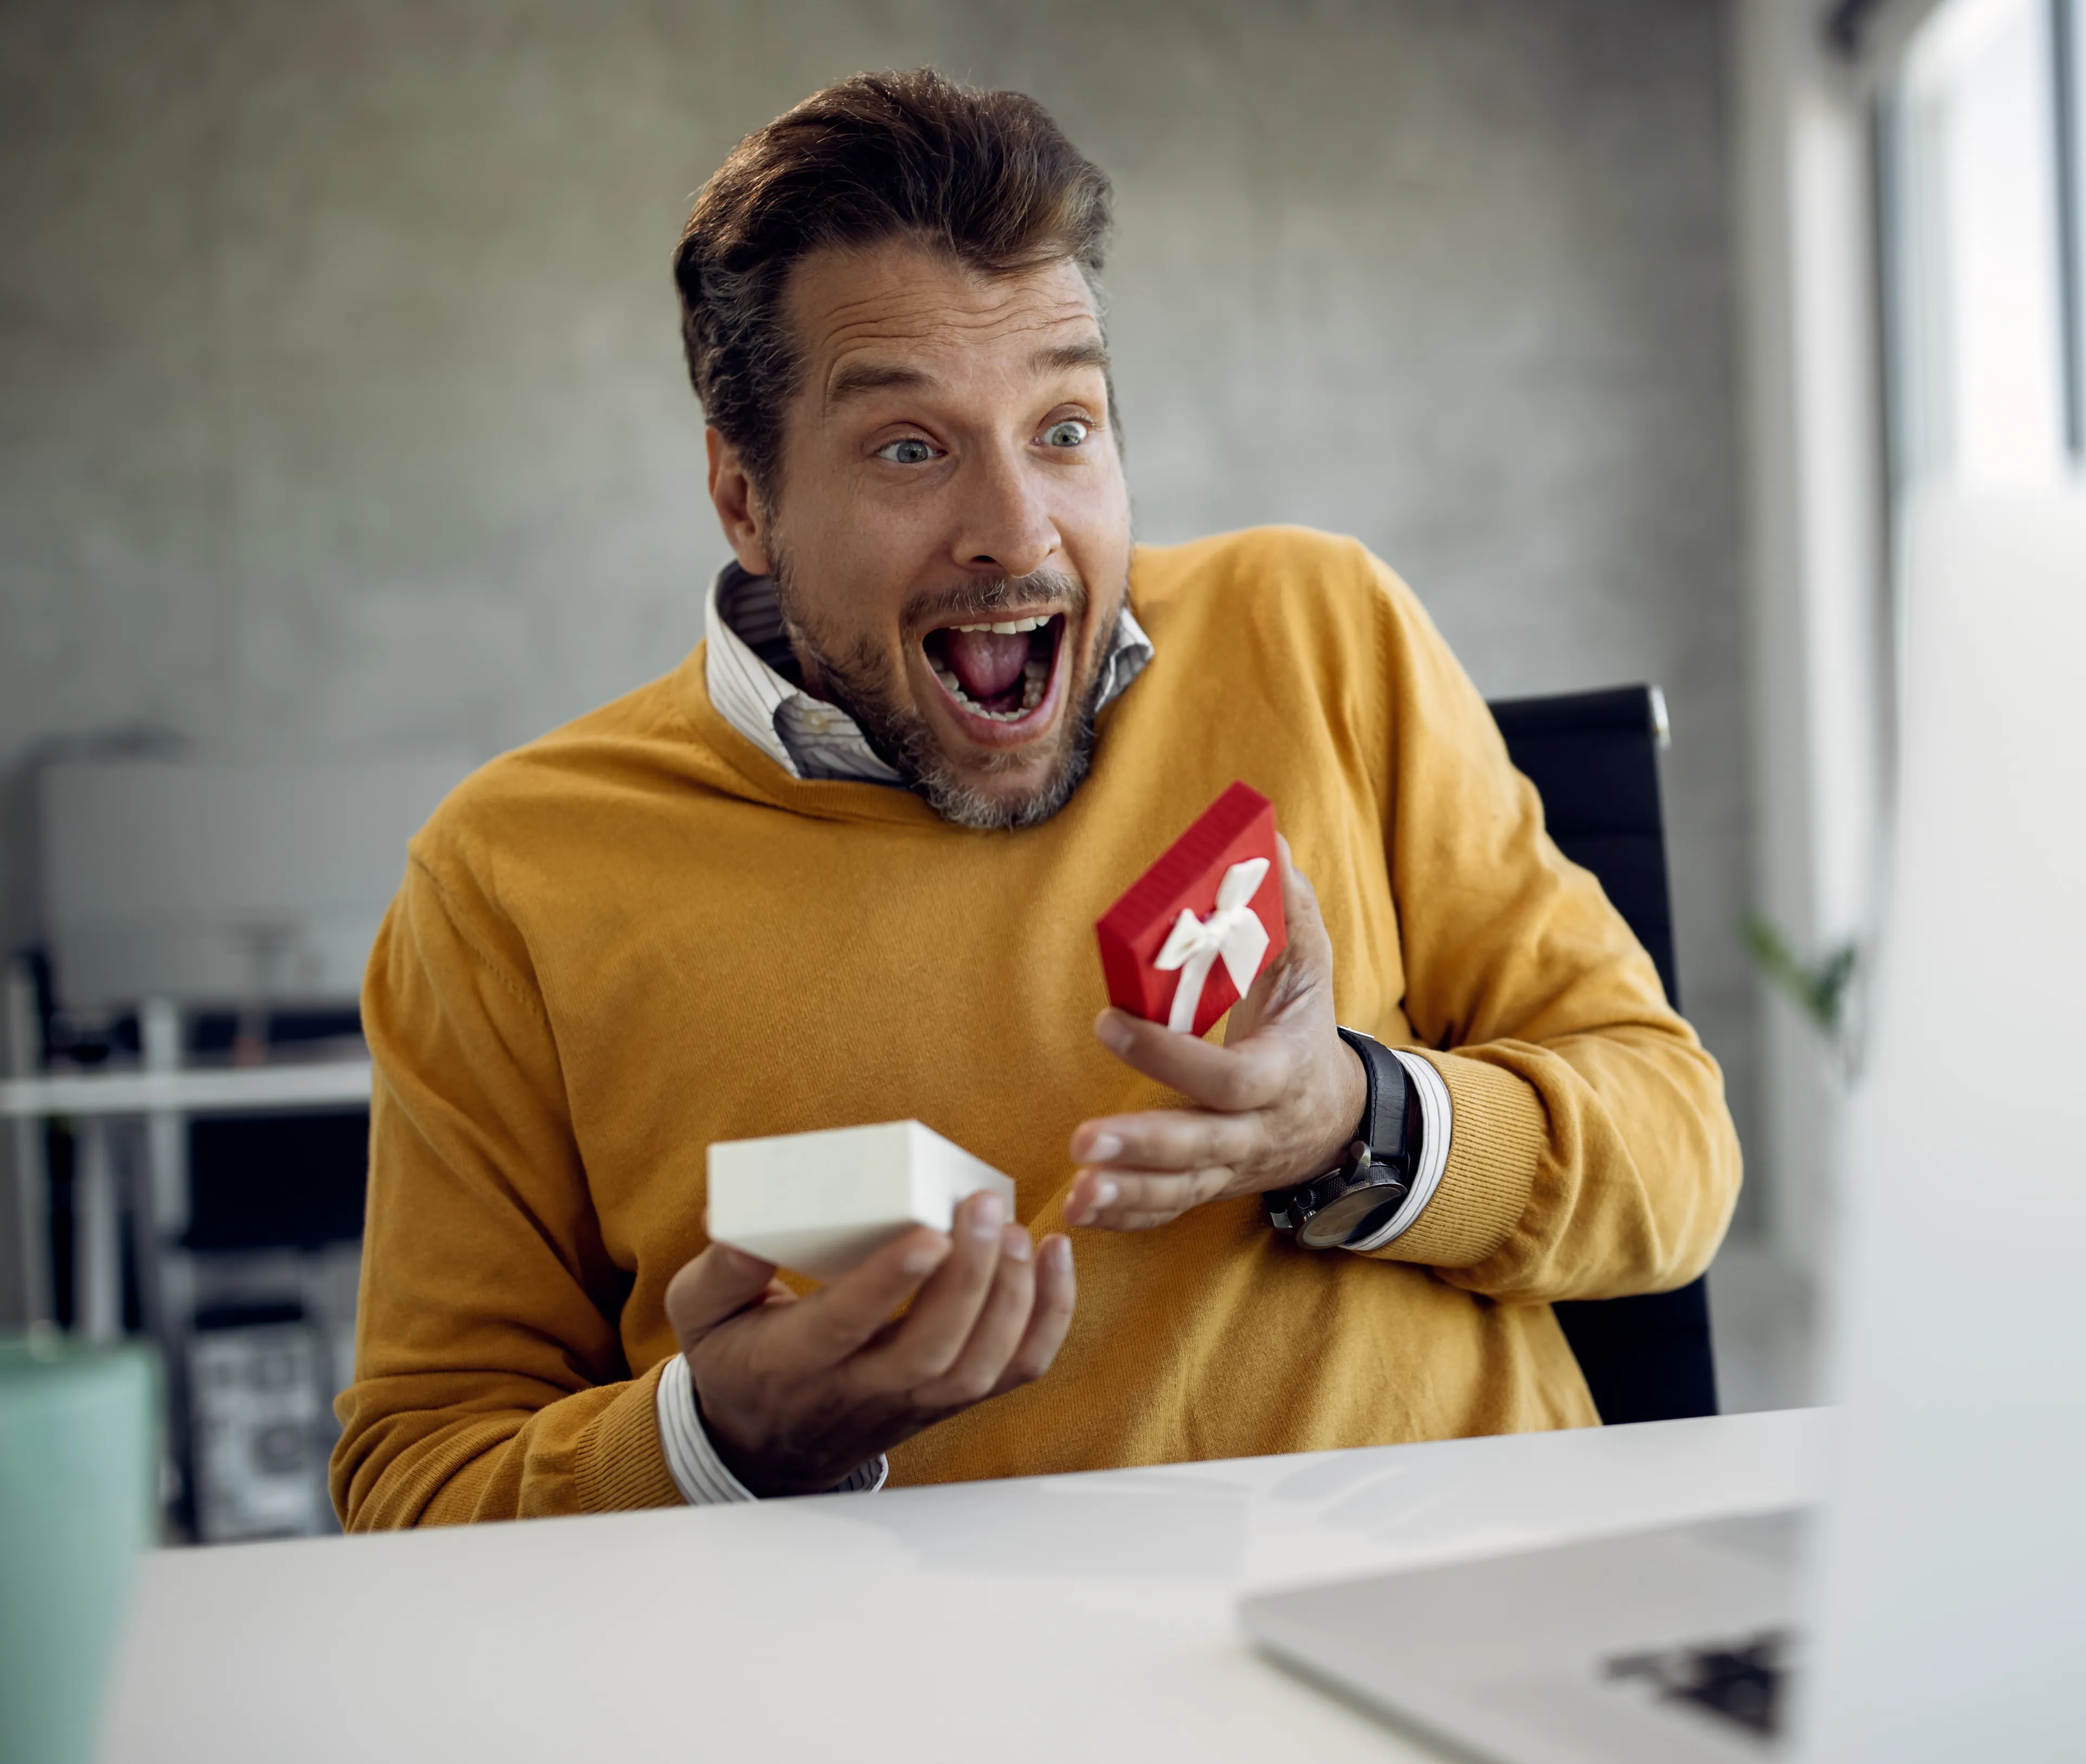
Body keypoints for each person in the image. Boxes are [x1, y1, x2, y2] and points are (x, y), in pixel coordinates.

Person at [329, 70, 1739, 1525]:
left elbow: (1681, 1159)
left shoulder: (1323, 628)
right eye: (910, 448)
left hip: (1462, 1619)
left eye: (1064, 428)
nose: (1016, 532)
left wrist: (1348, 1119)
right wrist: (723, 1441)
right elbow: (413, 1486)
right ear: (746, 500)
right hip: (940, 1718)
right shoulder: (510, 875)